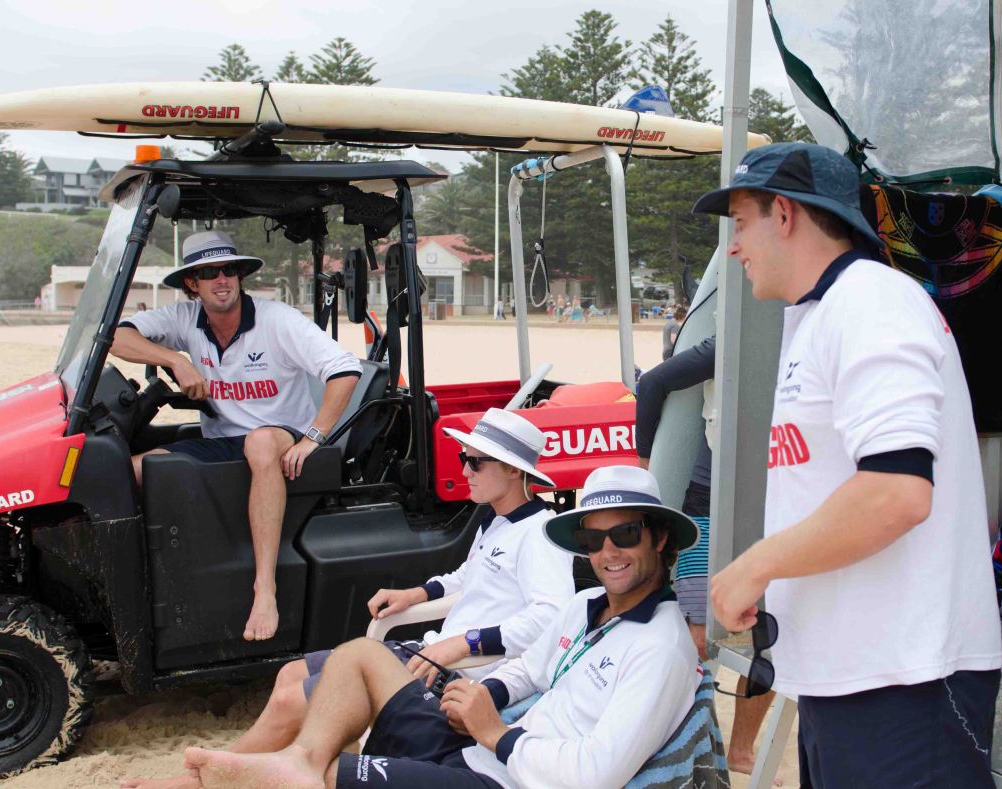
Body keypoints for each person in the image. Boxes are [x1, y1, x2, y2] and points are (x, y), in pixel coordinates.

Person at [697, 142, 1002, 785]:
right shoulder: (821, 313)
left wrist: (756, 564)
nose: (735, 246)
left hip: (907, 684)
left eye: (741, 223)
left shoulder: (871, 303)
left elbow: (896, 492)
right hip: (852, 679)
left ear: (785, 214)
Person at [122, 407, 573, 789]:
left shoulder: (540, 535)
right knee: (290, 674)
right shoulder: (497, 521)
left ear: (513, 471)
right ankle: (250, 771)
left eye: (475, 462)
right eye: (463, 458)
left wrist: (464, 643)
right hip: (430, 653)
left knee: (291, 702)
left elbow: (552, 617)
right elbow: (466, 578)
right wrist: (416, 592)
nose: (464, 470)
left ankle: (202, 781)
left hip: (458, 673)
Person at [181, 465, 702, 789]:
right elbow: (530, 669)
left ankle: (284, 770)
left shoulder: (660, 648)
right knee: (358, 655)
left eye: (624, 534)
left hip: (506, 777)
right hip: (479, 748)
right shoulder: (588, 603)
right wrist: (484, 697)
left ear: (659, 538)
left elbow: (596, 774)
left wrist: (495, 731)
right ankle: (298, 758)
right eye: (592, 540)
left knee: (331, 776)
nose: (608, 552)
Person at [109, 230, 362, 642]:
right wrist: (175, 360)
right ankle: (138, 587)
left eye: (229, 269)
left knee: (258, 442)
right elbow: (117, 337)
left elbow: (345, 370)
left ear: (240, 276)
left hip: (284, 436)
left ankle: (265, 588)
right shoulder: (185, 319)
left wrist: (313, 437)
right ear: (192, 283)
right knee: (128, 471)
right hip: (223, 441)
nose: (222, 279)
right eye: (209, 272)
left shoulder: (275, 320)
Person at [635, 334, 779, 780]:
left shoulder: (810, 331)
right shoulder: (736, 333)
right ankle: (680, 746)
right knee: (698, 637)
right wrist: (647, 461)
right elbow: (652, 382)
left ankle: (739, 751)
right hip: (711, 502)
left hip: (773, 500)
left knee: (773, 641)